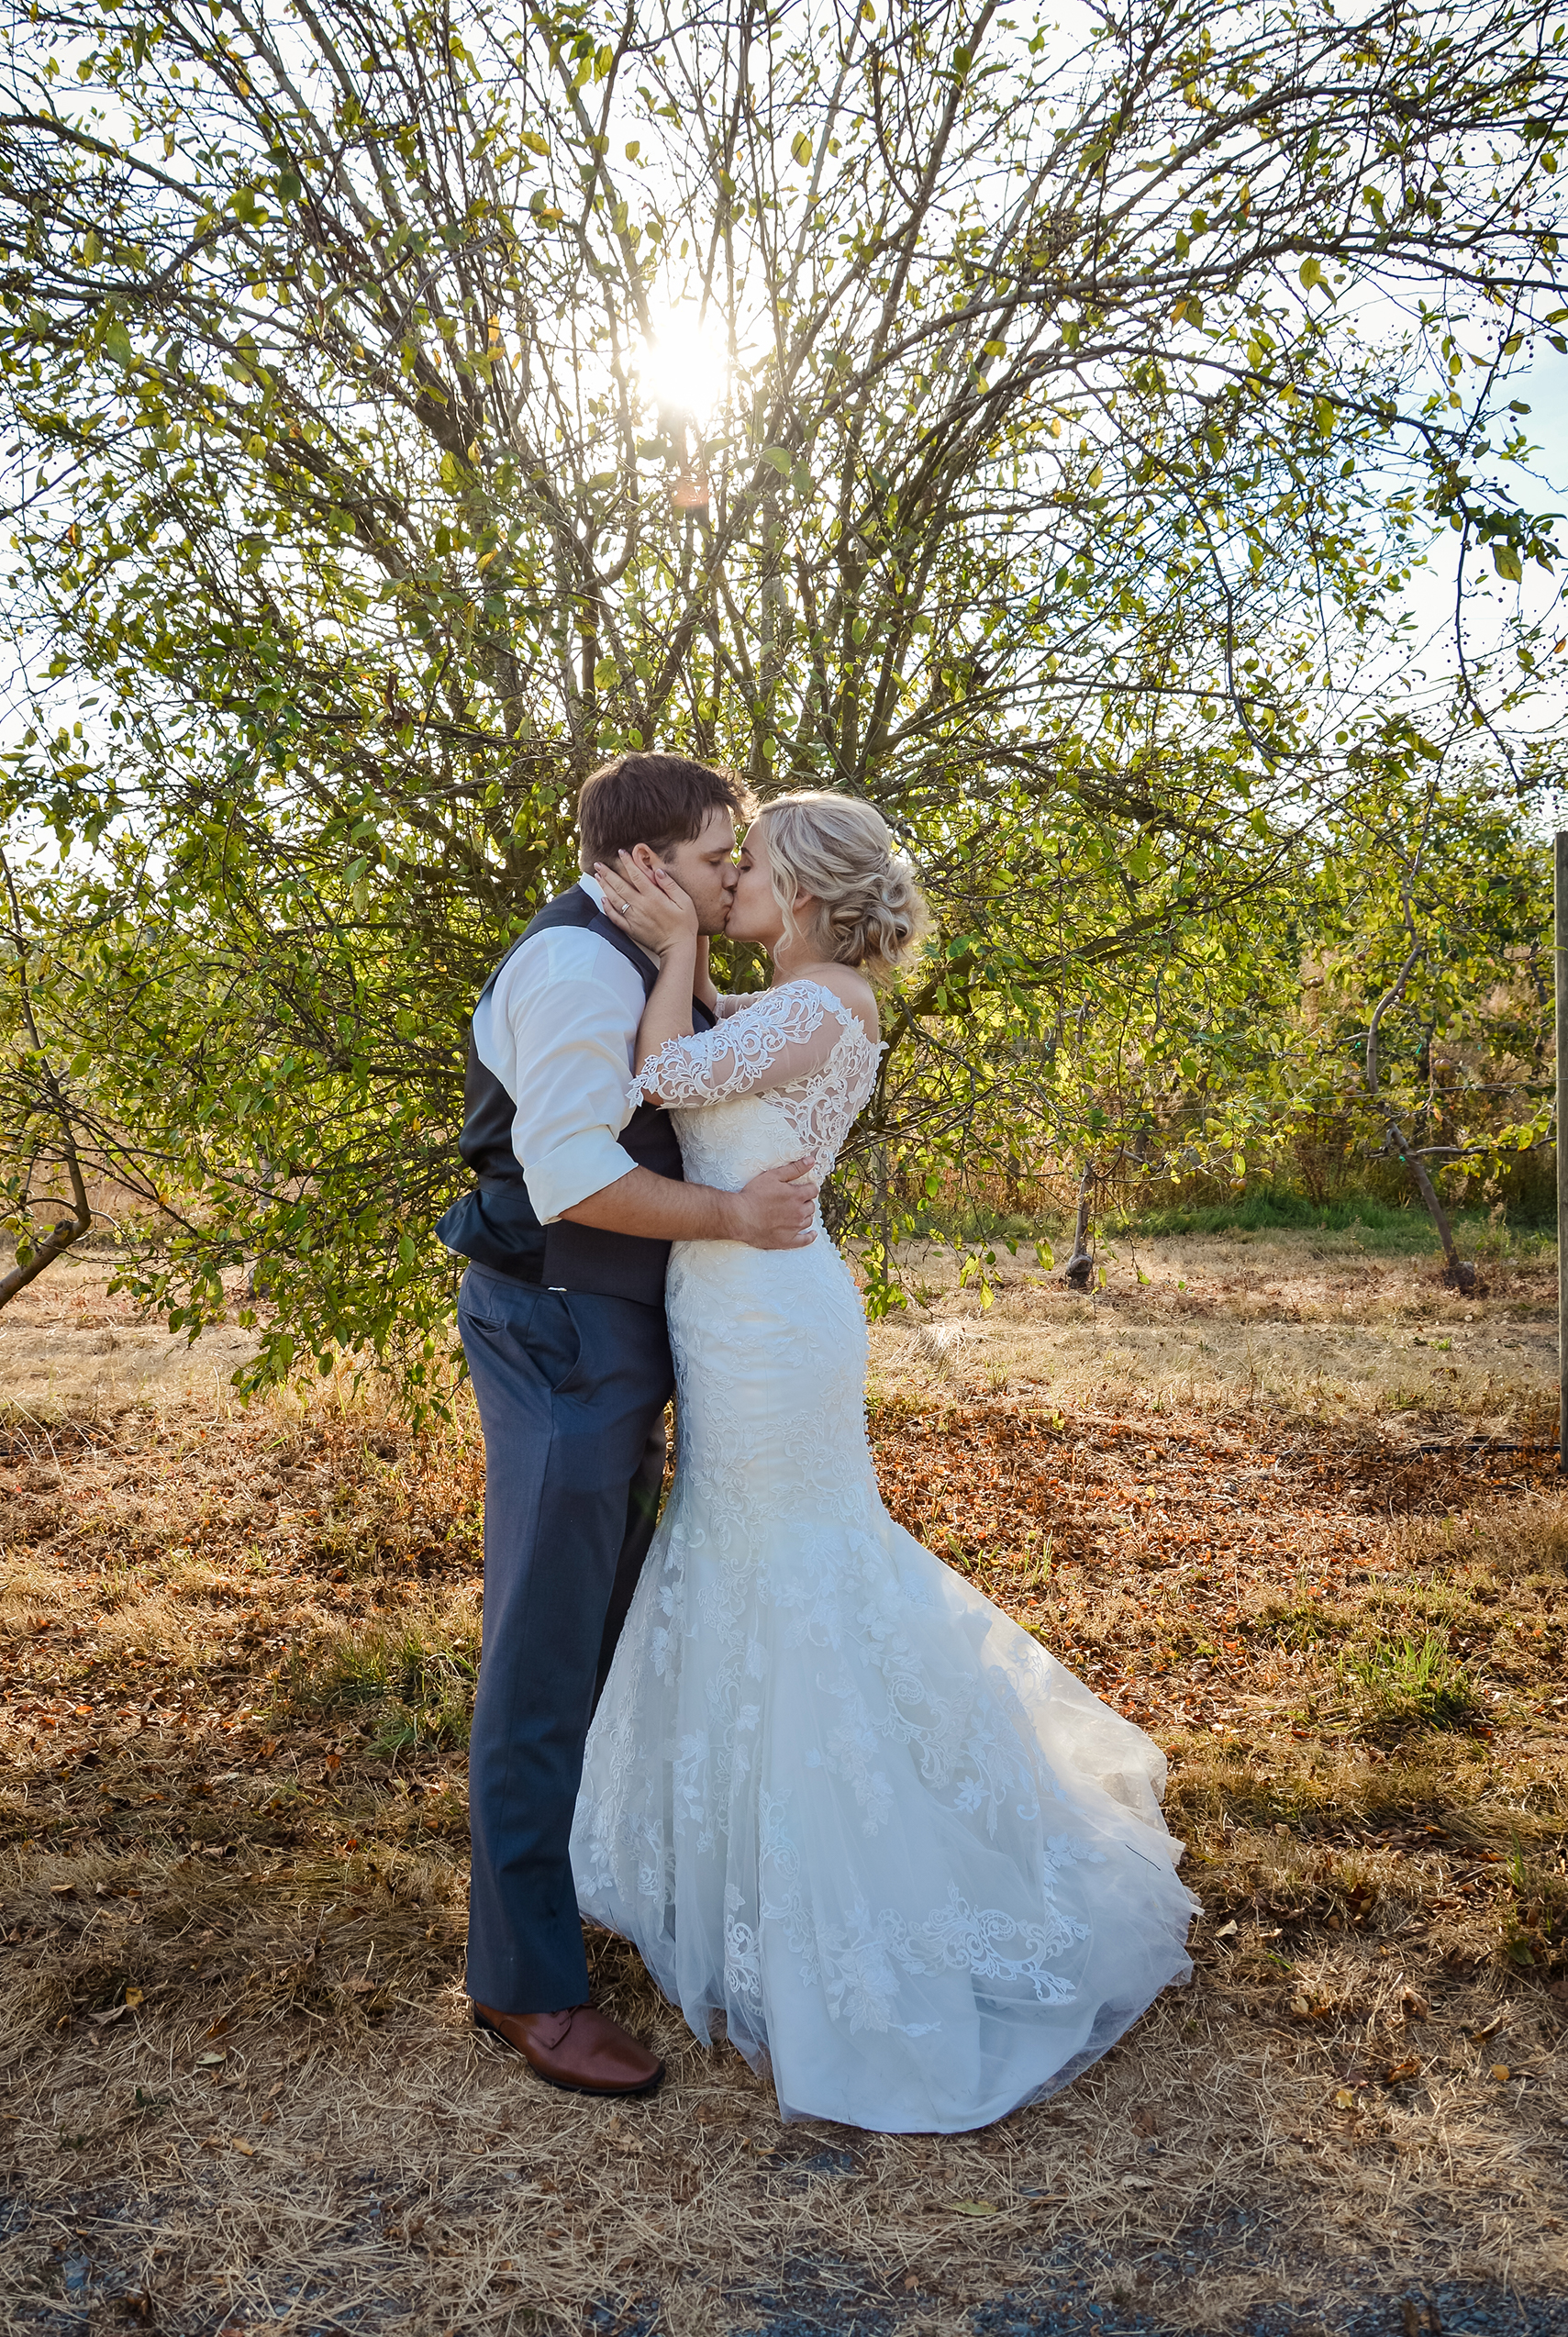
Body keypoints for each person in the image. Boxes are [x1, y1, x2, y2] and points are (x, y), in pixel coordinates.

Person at [572, 793, 1197, 2132]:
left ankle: (853, 1890)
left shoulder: (815, 1002)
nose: (730, 875)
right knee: (759, 1552)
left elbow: (666, 1078)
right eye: (719, 865)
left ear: (799, 887)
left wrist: (673, 946)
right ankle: (760, 1867)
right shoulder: (799, 998)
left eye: (750, 864)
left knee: (791, 1564)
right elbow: (704, 1069)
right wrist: (686, 955)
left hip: (770, 1320)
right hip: (741, 1303)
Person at [439, 752, 822, 2101]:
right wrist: (729, 1220)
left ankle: (573, 1899)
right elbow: (573, 1175)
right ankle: (523, 1985)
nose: (737, 875)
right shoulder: (572, 971)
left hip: (618, 1335)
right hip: (555, 1332)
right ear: (652, 862)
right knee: (544, 1650)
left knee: (603, 1628)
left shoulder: (648, 956)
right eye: (724, 855)